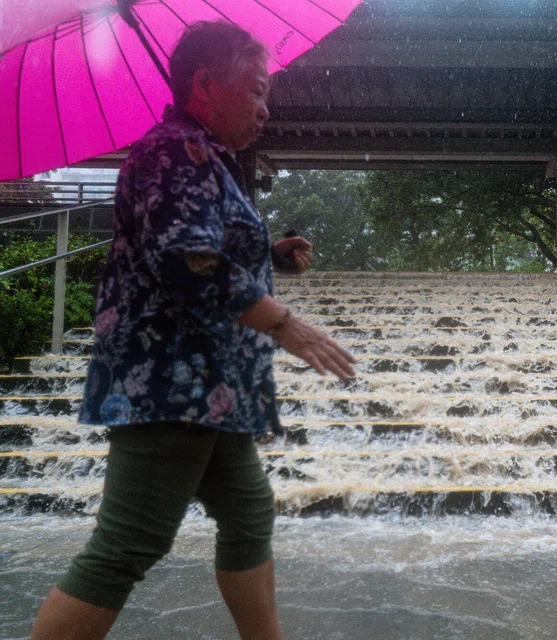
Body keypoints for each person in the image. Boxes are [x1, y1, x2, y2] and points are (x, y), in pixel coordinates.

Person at [30, 21, 355, 640]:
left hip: (209, 388)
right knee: (129, 543)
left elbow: (206, 245)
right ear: (205, 84)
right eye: (256, 91)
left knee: (248, 512)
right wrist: (288, 326)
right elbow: (186, 260)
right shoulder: (173, 151)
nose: (265, 109)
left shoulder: (200, 156)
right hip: (171, 380)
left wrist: (274, 256)